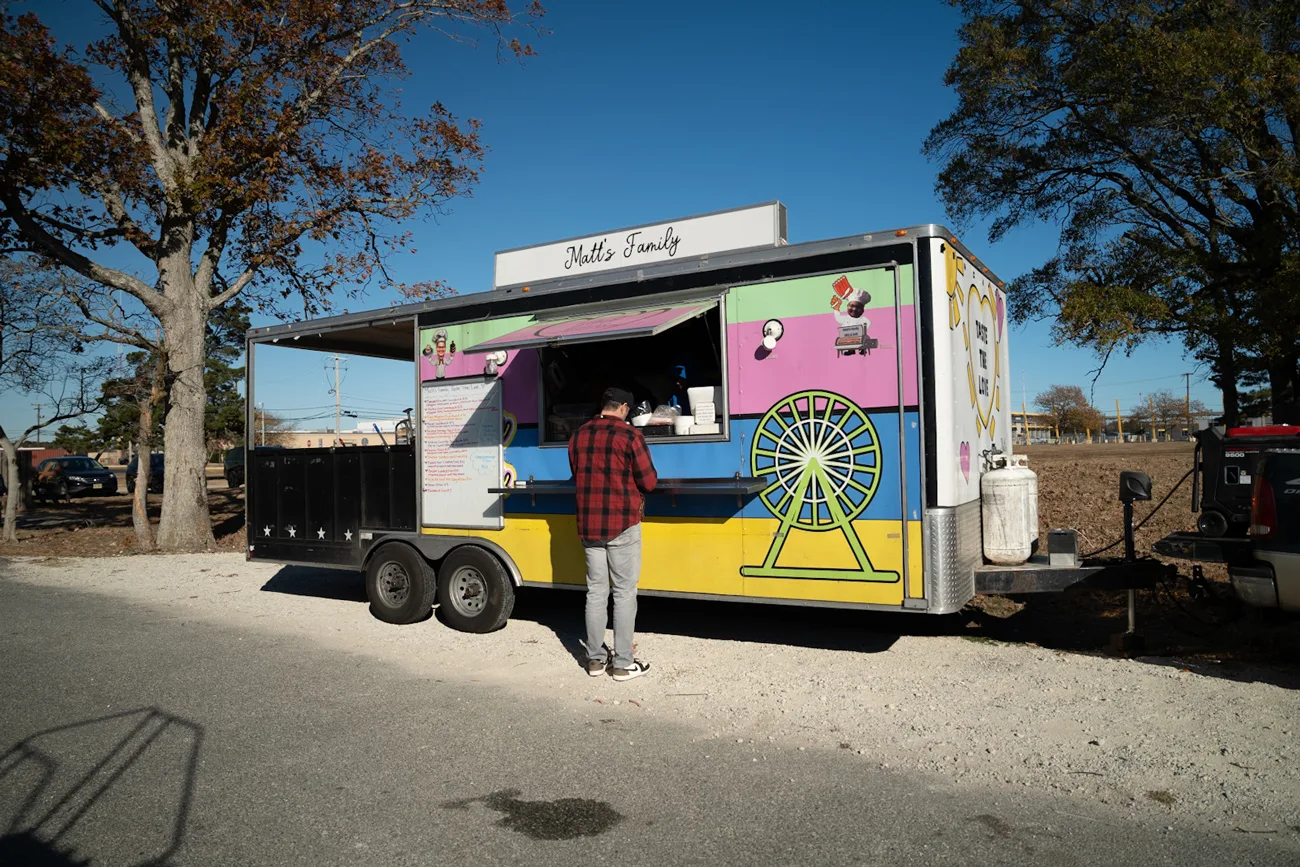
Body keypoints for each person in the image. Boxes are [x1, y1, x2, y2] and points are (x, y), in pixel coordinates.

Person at [568, 386, 658, 681]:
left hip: (589, 524)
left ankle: (594, 660)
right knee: (623, 593)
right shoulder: (631, 436)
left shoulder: (578, 436)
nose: (628, 414)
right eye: (628, 410)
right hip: (622, 523)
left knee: (595, 592)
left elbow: (576, 472)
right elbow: (648, 482)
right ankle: (622, 663)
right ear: (621, 407)